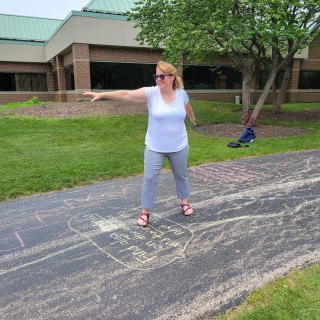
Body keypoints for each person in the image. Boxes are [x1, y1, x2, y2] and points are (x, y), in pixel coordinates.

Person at [83, 61, 196, 227]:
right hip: (154, 146)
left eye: (162, 76)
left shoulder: (181, 94)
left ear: (172, 77)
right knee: (149, 179)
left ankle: (184, 202)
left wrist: (192, 117)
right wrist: (103, 95)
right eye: (156, 76)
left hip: (179, 145)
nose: (158, 79)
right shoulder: (151, 93)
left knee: (181, 175)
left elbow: (187, 107)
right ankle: (145, 212)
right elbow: (127, 95)